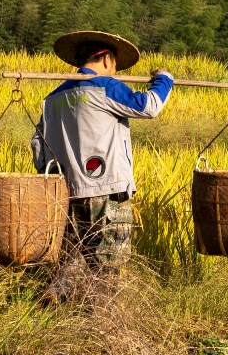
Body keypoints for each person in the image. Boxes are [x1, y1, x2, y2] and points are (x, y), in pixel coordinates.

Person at [31, 30, 173, 304]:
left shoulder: (53, 98)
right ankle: (102, 321)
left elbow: (38, 144)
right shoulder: (105, 86)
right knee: (108, 263)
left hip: (66, 192)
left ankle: (53, 298)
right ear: (105, 58)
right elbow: (149, 106)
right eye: (115, 63)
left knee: (72, 253)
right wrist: (164, 79)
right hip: (106, 190)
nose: (116, 69)